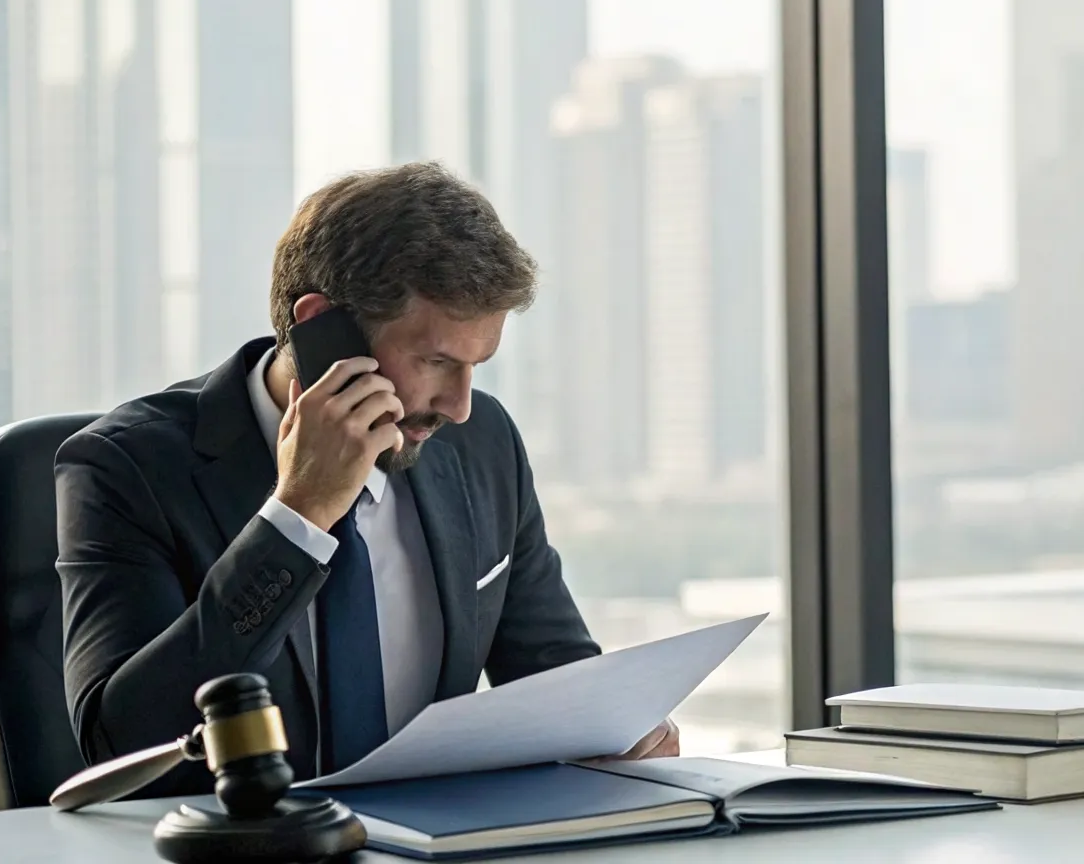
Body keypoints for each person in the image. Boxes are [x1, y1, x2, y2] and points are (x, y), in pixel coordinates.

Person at [56, 162, 676, 795]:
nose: (460, 405)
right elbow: (121, 742)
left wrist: (619, 732)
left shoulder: (481, 443)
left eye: (476, 365)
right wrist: (298, 517)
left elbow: (556, 679)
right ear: (322, 326)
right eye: (435, 360)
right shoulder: (125, 469)